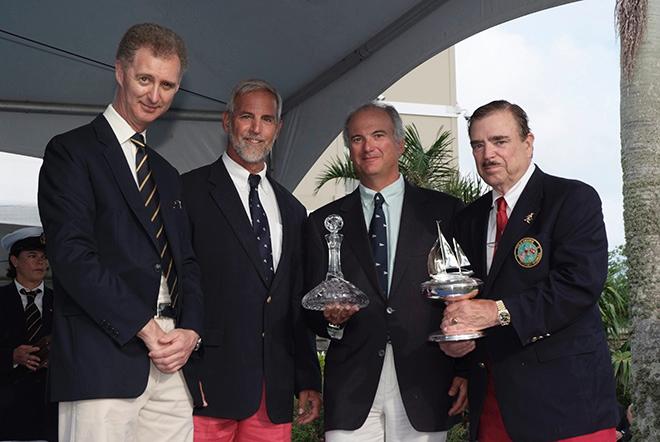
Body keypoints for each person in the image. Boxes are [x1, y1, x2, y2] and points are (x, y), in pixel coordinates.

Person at [38, 23, 203, 441]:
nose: (154, 95)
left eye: (167, 85)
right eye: (145, 79)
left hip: (174, 365)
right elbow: (72, 257)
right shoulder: (71, 152)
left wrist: (191, 332)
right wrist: (145, 327)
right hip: (102, 361)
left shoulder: (166, 174)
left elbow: (186, 263)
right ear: (119, 71)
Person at [440, 100, 619, 441]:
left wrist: (497, 312)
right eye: (478, 145)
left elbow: (578, 285)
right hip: (493, 405)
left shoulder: (571, 199)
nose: (488, 153)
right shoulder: (469, 219)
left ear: (528, 142)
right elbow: (464, 295)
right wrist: (458, 344)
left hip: (567, 406)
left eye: (499, 141)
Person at [304, 102, 467, 441]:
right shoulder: (322, 221)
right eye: (357, 139)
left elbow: (464, 296)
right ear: (350, 149)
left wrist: (466, 370)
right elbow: (308, 306)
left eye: (378, 135)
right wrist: (332, 320)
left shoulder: (445, 212)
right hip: (351, 385)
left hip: (427, 380)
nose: (368, 146)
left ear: (400, 143)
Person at [181, 79, 322, 442]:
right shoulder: (188, 192)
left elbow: (296, 298)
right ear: (227, 121)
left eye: (267, 119)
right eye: (247, 116)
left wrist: (307, 378)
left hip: (271, 392)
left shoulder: (293, 210)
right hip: (204, 384)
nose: (256, 128)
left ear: (278, 127)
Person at [0, 227, 57, 442]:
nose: (41, 262)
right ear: (14, 261)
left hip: (51, 409)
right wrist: (12, 356)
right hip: (9, 411)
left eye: (43, 257)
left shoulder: (62, 302)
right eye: (32, 256)